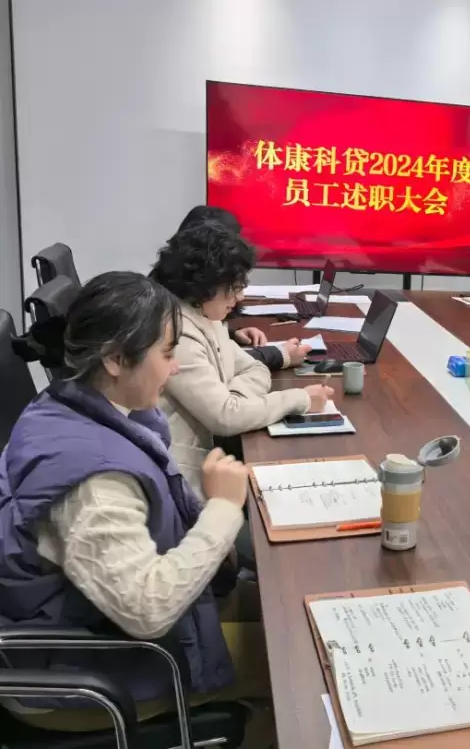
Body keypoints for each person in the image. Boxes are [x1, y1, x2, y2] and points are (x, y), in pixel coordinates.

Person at [0, 272, 271, 737]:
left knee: (286, 612)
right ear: (114, 358)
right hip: (88, 667)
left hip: (94, 620)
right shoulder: (95, 484)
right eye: (167, 353)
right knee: (292, 668)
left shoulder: (71, 404)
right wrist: (224, 509)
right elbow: (148, 609)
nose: (175, 369)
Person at [151, 222, 332, 494]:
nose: (240, 297)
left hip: (216, 456)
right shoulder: (176, 331)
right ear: (205, 283)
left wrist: (235, 400)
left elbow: (254, 368)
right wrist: (300, 399)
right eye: (233, 287)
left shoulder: (206, 316)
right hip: (185, 478)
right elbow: (226, 418)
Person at [175, 205, 309, 371]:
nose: (240, 296)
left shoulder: (188, 295)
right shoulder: (172, 315)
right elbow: (215, 363)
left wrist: (232, 334)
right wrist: (279, 355)